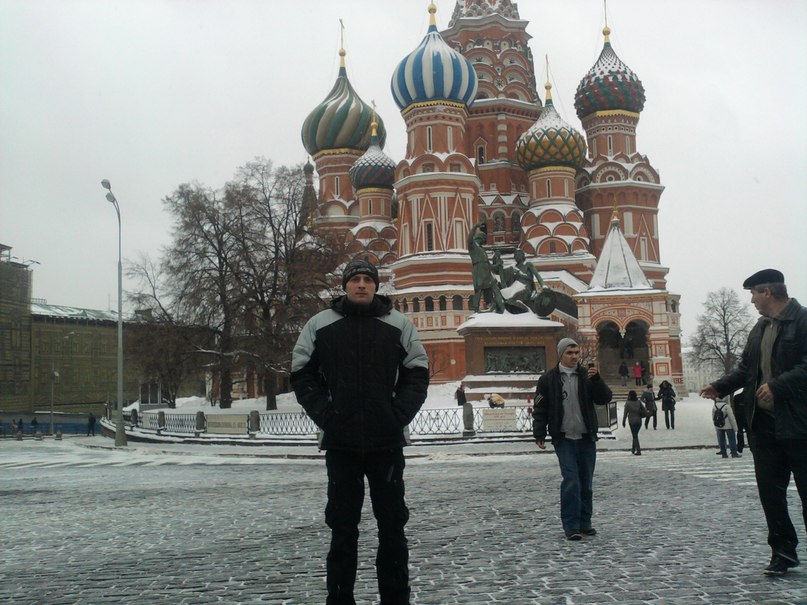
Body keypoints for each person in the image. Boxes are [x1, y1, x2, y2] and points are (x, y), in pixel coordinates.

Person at [291, 257, 430, 604]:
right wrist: (326, 413)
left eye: (368, 279)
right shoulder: (320, 324)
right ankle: (339, 600)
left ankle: (396, 599)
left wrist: (397, 414)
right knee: (342, 530)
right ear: (345, 285)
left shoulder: (398, 324)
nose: (362, 285)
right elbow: (301, 371)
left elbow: (418, 370)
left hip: (386, 444)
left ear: (376, 285)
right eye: (356, 279)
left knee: (393, 529)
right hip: (342, 445)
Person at [699, 268, 807, 577]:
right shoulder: (759, 328)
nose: (752, 301)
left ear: (768, 293)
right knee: (771, 496)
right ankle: (783, 552)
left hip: (800, 426)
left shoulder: (803, 321)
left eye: (753, 295)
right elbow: (747, 368)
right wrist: (720, 386)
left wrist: (778, 385)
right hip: (764, 426)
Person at [532, 337, 613, 541]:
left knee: (586, 483)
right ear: (561, 354)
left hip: (586, 437)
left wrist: (597, 381)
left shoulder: (587, 376)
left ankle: (585, 523)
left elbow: (604, 398)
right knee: (571, 481)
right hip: (564, 438)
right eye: (570, 353)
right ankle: (571, 526)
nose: (574, 356)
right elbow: (540, 408)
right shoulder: (548, 379)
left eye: (576, 352)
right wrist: (539, 433)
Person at [467, 221, 504, 313]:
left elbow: (488, 264)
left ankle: (492, 304)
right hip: (479, 270)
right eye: (484, 238)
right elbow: (469, 238)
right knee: (479, 289)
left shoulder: (482, 249)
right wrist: (475, 226)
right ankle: (476, 308)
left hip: (486, 271)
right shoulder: (473, 246)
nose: (484, 241)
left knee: (492, 286)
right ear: (480, 238)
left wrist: (496, 266)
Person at [622, 390, 644, 455]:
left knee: (635, 435)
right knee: (635, 434)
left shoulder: (628, 403)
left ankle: (638, 450)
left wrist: (623, 421)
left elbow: (625, 413)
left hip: (632, 421)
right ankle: (633, 449)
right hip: (639, 421)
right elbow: (644, 409)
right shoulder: (638, 402)